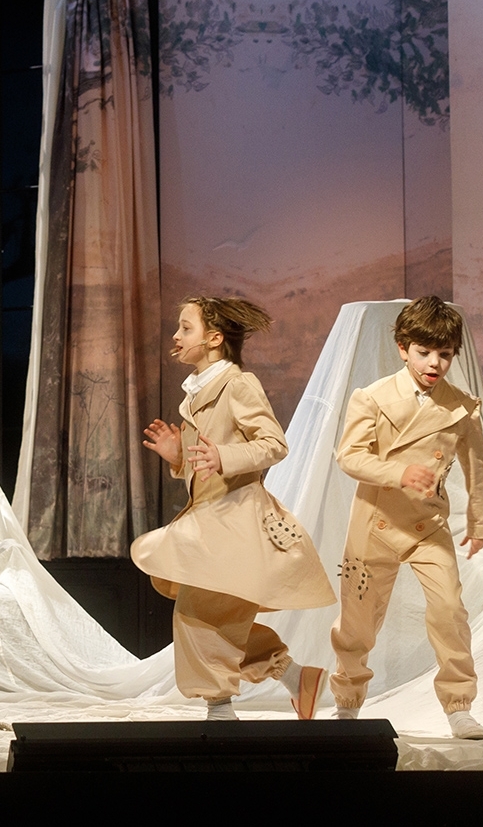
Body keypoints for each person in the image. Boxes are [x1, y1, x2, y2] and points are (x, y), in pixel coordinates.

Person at [130, 296, 334, 721]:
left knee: (198, 614)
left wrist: (224, 456)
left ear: (214, 338)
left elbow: (274, 444)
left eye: (186, 328)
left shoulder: (237, 384)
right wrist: (178, 458)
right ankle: (294, 677)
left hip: (237, 519)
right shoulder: (200, 391)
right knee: (212, 615)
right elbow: (205, 465)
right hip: (212, 519)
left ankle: (220, 707)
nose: (176, 336)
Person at [329, 296, 483, 739]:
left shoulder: (462, 406)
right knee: (358, 621)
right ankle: (347, 702)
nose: (434, 363)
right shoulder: (373, 397)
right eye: (424, 351)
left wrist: (480, 523)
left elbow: (476, 468)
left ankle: (459, 705)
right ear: (403, 348)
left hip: (428, 525)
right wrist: (398, 473)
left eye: (445, 353)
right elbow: (348, 456)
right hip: (374, 523)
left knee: (449, 610)